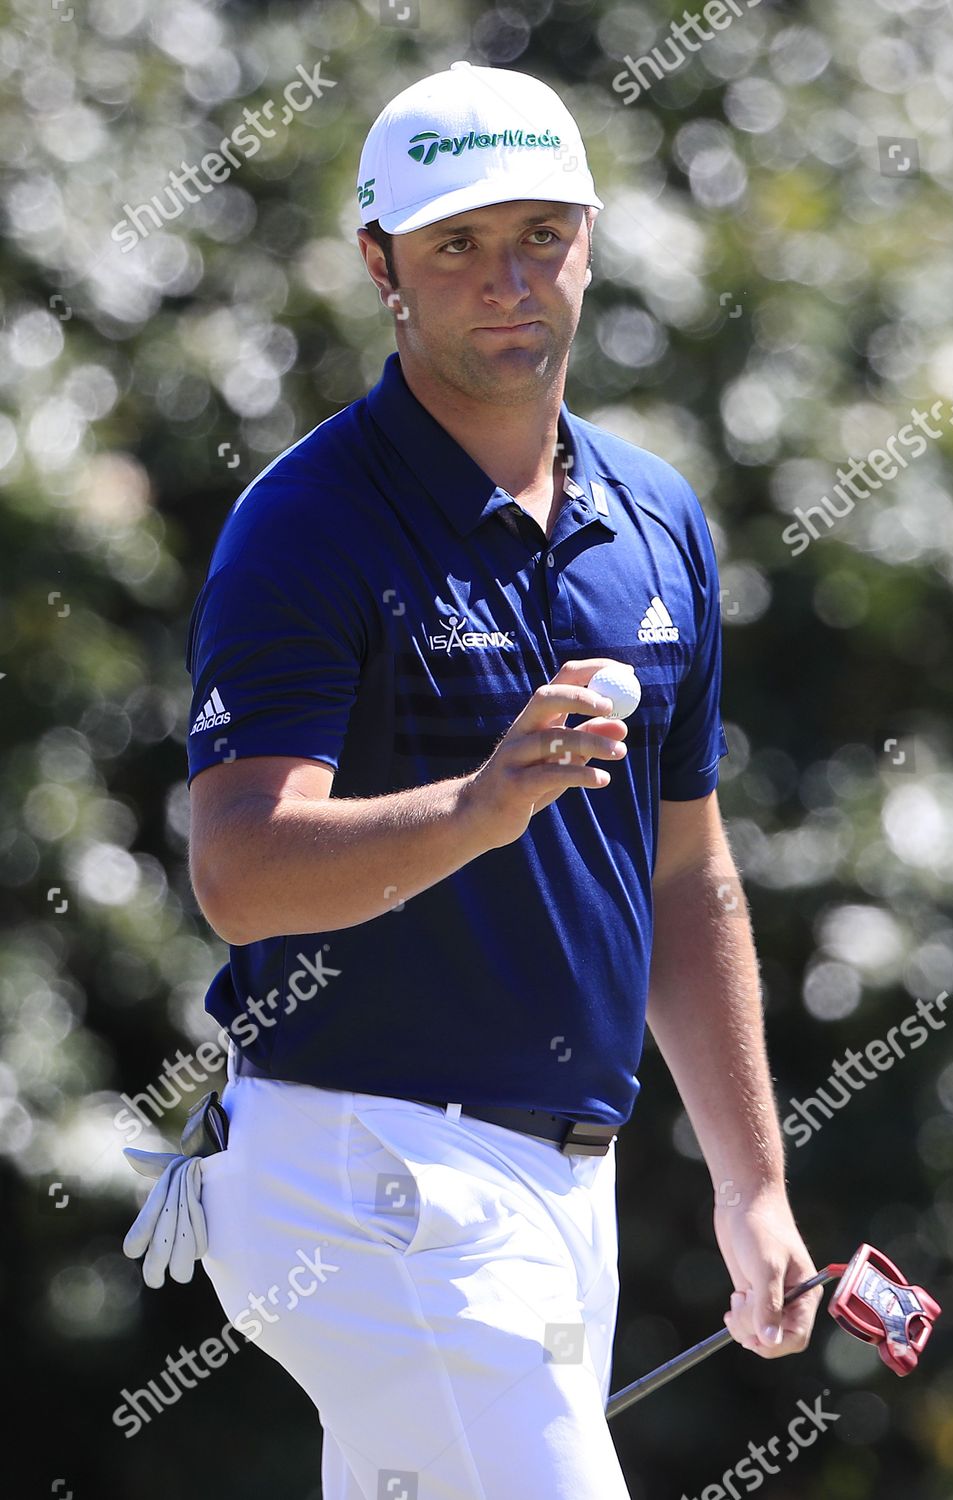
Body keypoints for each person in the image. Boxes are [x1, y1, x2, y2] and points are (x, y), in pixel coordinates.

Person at [183, 58, 821, 1500]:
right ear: (380, 266)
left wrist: (752, 1186)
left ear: (588, 240)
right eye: (455, 243)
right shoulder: (306, 525)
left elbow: (684, 874)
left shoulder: (653, 520)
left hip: (557, 1183)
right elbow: (238, 873)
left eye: (540, 234)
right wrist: (480, 807)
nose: (506, 279)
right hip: (368, 1164)